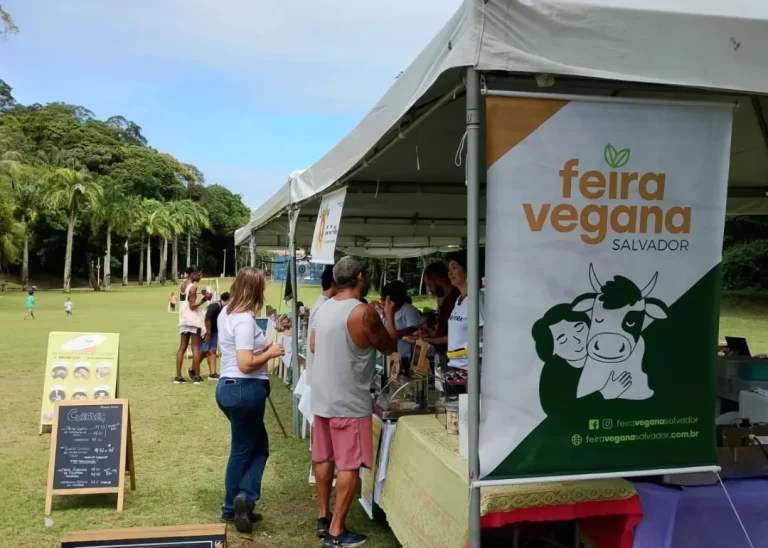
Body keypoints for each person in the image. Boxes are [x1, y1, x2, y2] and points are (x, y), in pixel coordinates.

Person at [310, 257, 398, 547]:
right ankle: (336, 531)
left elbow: (312, 345)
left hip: (322, 395)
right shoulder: (363, 313)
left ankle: (324, 518)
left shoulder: (322, 308)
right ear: (360, 277)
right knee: (348, 464)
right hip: (349, 400)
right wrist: (387, 313)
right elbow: (388, 345)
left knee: (323, 457)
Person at [216, 267, 285, 533]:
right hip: (244, 388)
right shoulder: (244, 320)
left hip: (230, 388)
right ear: (256, 290)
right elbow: (245, 364)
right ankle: (235, 504)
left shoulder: (226, 313)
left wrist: (261, 349)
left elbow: (230, 350)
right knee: (246, 450)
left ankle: (240, 501)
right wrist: (271, 353)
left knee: (255, 447)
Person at [445, 251, 484, 370]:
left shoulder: (475, 299)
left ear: (468, 271)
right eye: (449, 269)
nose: (450, 272)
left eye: (454, 267)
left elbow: (483, 332)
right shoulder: (459, 299)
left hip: (468, 368)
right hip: (455, 365)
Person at [306, 266, 337, 388]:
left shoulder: (322, 303)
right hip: (319, 378)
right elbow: (314, 345)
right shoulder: (323, 306)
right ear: (334, 283)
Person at [421, 262, 460, 355]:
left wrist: (430, 339)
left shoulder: (453, 300)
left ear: (438, 279)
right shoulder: (447, 300)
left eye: (430, 285)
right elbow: (441, 332)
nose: (430, 290)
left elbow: (452, 335)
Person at [176, 265, 205, 384]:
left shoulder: (182, 285)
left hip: (183, 319)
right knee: (196, 348)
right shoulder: (193, 287)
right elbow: (192, 306)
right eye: (199, 274)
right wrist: (204, 300)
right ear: (193, 274)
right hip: (192, 320)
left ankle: (178, 376)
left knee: (182, 347)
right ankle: (197, 376)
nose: (200, 277)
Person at [380, 280, 421, 363]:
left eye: (383, 299)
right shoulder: (384, 311)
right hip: (388, 354)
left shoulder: (408, 309)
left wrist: (392, 335)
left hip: (405, 356)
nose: (382, 301)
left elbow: (413, 329)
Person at [202, 292, 230, 381]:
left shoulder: (224, 308)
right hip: (205, 330)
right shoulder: (215, 306)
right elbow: (207, 319)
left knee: (212, 351)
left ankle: (213, 373)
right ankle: (193, 370)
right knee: (203, 351)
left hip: (214, 330)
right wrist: (208, 333)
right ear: (227, 300)